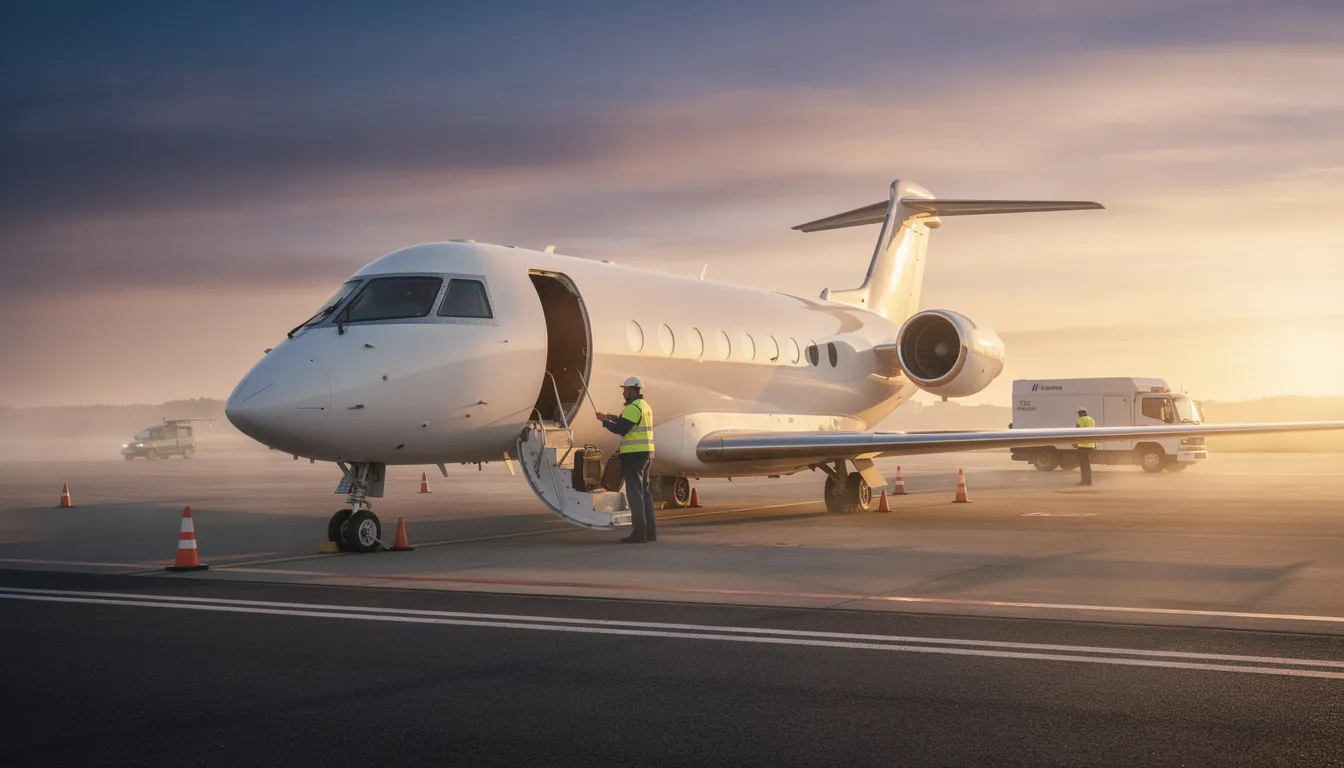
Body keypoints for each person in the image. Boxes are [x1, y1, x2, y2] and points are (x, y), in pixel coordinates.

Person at [597, 376, 656, 543]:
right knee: (645, 492)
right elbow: (629, 423)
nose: (623, 393)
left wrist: (604, 421)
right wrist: (614, 417)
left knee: (634, 493)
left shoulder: (633, 407)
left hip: (634, 456)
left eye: (625, 390)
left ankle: (639, 533)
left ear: (631, 391)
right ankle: (650, 532)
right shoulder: (645, 406)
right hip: (647, 454)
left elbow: (621, 429)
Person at [1074, 406, 1096, 486]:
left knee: (1083, 465)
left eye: (1079, 413)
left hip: (1082, 446)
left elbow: (1077, 432)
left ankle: (1085, 481)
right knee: (1087, 464)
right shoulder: (1091, 420)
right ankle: (1088, 480)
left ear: (1083, 413)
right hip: (1091, 445)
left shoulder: (1080, 420)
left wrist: (1075, 443)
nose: (1079, 414)